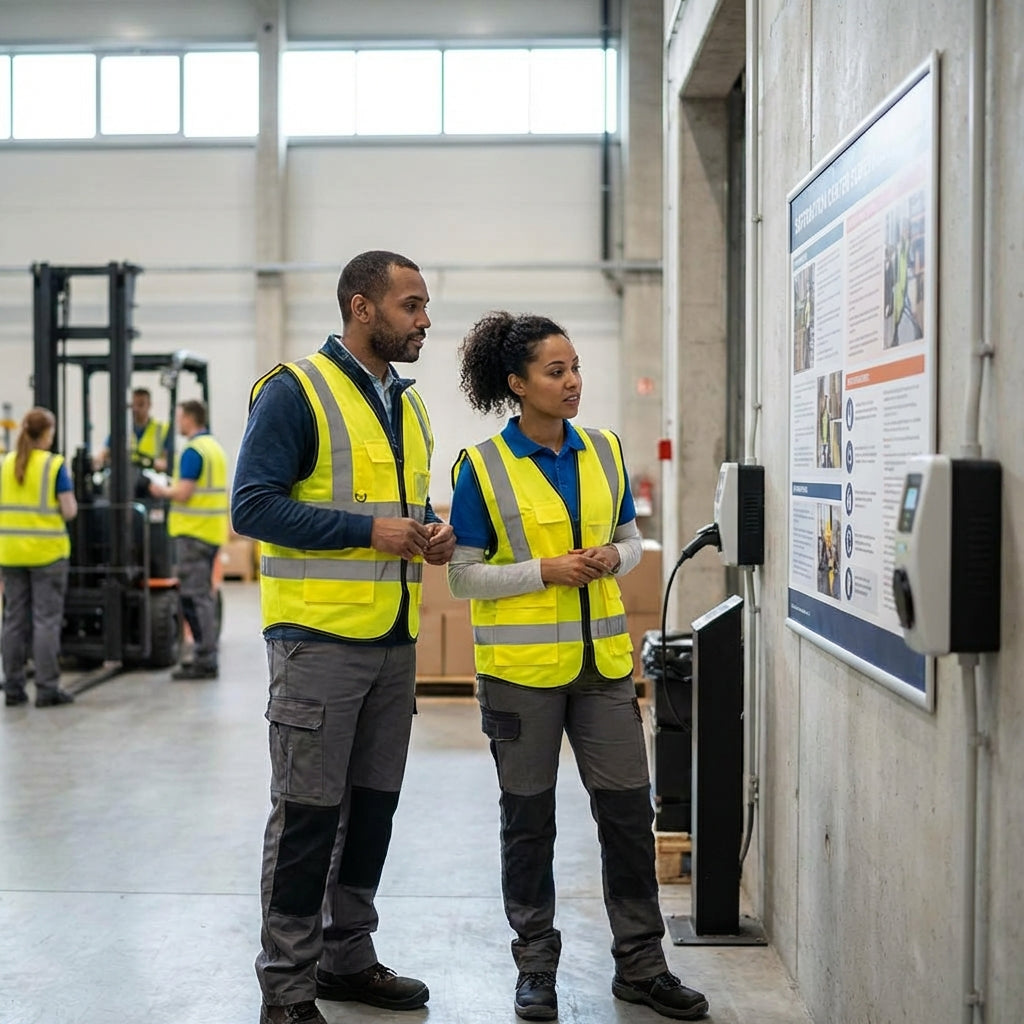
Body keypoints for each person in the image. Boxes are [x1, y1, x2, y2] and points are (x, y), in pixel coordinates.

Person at [447, 312, 710, 1022]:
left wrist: (609, 559)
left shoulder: (603, 450)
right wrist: (545, 572)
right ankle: (535, 966)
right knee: (529, 826)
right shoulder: (482, 468)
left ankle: (642, 967)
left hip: (603, 670)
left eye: (576, 368)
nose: (572, 383)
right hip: (520, 679)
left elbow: (632, 542)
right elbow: (463, 578)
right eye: (555, 372)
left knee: (627, 818)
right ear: (517, 384)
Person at [231, 250, 455, 1024]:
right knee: (307, 818)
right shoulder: (296, 392)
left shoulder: (409, 404)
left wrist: (430, 531)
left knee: (372, 811)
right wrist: (372, 532)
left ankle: (346, 956)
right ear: (362, 308)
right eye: (412, 306)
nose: (425, 320)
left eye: (424, 307)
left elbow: (401, 505)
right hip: (317, 644)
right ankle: (287, 991)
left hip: (392, 640)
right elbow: (252, 508)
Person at [0, 407, 78, 708]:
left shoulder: (5, 463)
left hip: (9, 553)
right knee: (45, 621)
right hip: (47, 554)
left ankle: (13, 688)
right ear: (47, 433)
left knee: (13, 620)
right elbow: (69, 510)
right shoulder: (53, 465)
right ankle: (46, 689)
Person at [148, 399, 228, 680]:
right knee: (202, 595)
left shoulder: (194, 451)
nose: (177, 423)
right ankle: (205, 654)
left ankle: (205, 658)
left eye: (180, 417)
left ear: (190, 419)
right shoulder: (213, 447)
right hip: (209, 531)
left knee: (195, 598)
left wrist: (160, 490)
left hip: (194, 533)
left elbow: (183, 492)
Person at [99, 387, 172, 471]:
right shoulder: (121, 430)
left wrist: (148, 462)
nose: (135, 409)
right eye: (133, 405)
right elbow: (104, 454)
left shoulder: (161, 430)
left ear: (149, 405)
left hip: (153, 479)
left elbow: (168, 464)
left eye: (140, 405)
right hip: (126, 477)